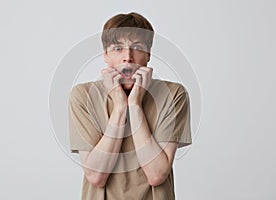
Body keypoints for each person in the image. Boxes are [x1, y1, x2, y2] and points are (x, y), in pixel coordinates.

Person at [69, 12, 192, 200]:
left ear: (148, 55)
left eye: (137, 47)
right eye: (118, 48)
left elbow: (156, 174)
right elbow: (96, 176)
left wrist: (134, 104)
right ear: (106, 55)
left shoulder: (173, 95)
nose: (128, 57)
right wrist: (119, 108)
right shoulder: (83, 96)